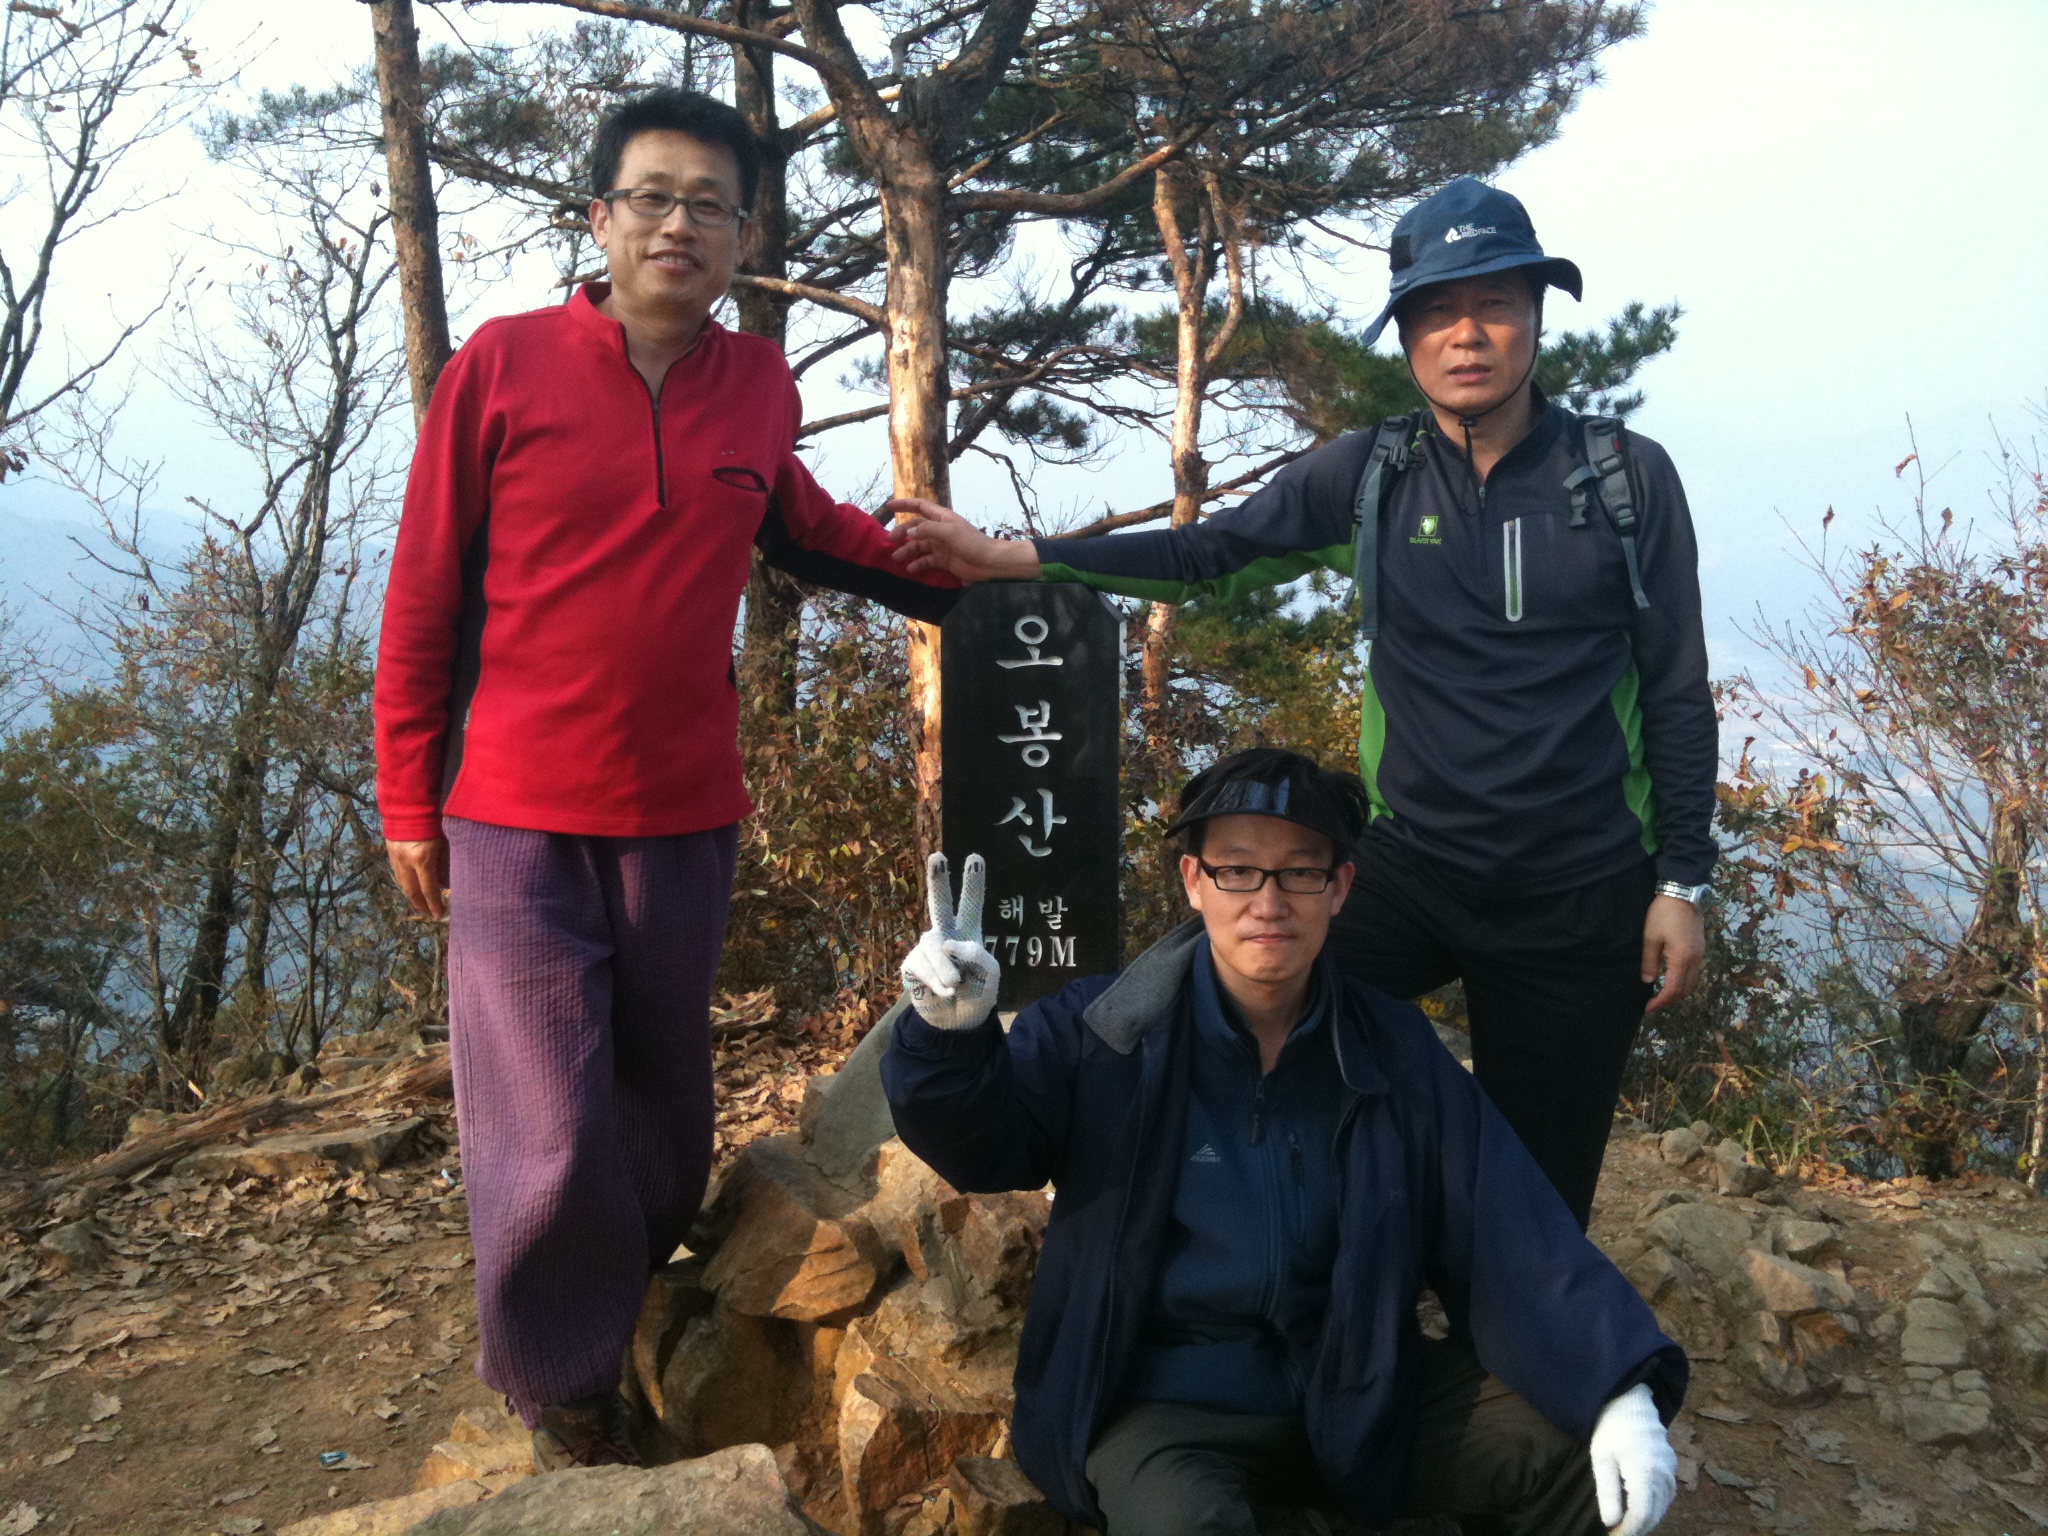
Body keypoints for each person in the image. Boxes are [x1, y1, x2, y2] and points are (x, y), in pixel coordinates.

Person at [889, 176, 1716, 1228]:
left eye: (1495, 303)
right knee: (1206, 989)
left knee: (1536, 1203)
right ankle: (1196, 1227)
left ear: (1536, 315)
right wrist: (1015, 558)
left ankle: (1489, 1318)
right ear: (1406, 336)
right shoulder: (1371, 477)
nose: (1467, 334)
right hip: (1409, 869)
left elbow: (1675, 687)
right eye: (1436, 310)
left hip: (1580, 888)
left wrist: (1679, 883)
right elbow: (1209, 553)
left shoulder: (1623, 479)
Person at [373, 88, 958, 1468]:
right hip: (513, 809)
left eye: (710, 204)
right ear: (600, 217)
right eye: (651, 196)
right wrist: (407, 797)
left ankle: (620, 1301)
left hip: (684, 810)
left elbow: (795, 519)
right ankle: (566, 1392)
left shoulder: (755, 382)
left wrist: (960, 572)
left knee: (660, 1109)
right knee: (543, 1121)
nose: (678, 224)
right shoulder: (503, 367)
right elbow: (422, 592)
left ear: (743, 235)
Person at [883, 749, 1684, 1536]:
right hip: (1163, 1406)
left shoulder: (1393, 1048)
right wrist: (950, 1038)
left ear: (1340, 888)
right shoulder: (1107, 1032)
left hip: (1360, 1385)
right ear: (1194, 881)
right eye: (1237, 870)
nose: (1268, 902)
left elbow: (1502, 1223)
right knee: (1184, 1523)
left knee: (1578, 1456)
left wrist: (1613, 1385)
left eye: (1300, 872)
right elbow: (986, 1147)